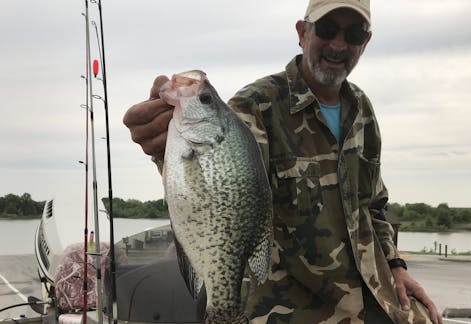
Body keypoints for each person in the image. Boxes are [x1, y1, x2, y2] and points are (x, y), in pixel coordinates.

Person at [123, 0, 442, 323]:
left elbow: (374, 204)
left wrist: (396, 267)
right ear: (302, 32)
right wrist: (162, 150)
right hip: (289, 310)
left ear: (366, 42)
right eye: (328, 29)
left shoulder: (361, 108)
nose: (338, 44)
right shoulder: (254, 106)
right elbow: (210, 189)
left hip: (375, 297)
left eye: (354, 33)